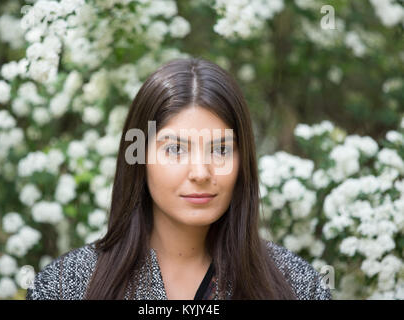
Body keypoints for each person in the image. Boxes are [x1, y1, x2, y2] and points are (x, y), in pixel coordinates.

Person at [26, 57, 332, 300]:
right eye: (175, 149)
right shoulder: (65, 286)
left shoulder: (297, 287)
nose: (200, 173)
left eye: (220, 149)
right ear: (140, 157)